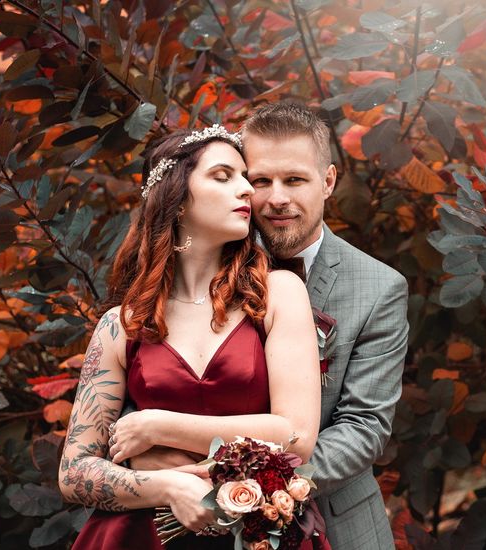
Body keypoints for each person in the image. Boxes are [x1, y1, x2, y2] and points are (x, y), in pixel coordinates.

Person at [132, 102, 410, 549]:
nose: (276, 198)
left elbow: (363, 426)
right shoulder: (201, 259)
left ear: (328, 181)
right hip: (181, 516)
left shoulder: (379, 288)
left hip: (335, 524)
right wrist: (155, 461)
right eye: (261, 180)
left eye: (295, 180)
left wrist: (239, 484)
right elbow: (143, 376)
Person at [58, 125, 323, 550]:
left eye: (244, 178)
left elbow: (295, 435)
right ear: (177, 199)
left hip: (255, 533)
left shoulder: (278, 294)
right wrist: (167, 488)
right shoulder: (121, 324)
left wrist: (156, 425)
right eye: (223, 176)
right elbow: (74, 473)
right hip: (140, 536)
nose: (246, 191)